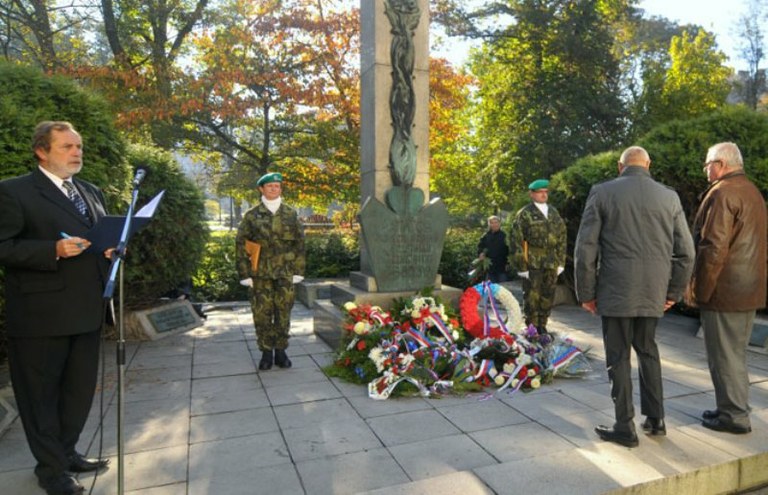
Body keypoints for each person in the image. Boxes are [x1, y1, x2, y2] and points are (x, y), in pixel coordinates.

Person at [0, 121, 111, 495]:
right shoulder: (14, 192)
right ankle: (50, 471)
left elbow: (95, 239)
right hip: (40, 317)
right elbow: (4, 246)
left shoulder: (91, 191)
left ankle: (66, 453)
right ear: (42, 151)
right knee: (41, 397)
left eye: (78, 146)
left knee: (77, 392)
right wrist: (52, 249)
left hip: (87, 310)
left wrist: (108, 248)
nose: (76, 152)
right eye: (66, 146)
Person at [574, 146, 695, 448]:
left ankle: (624, 426)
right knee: (648, 351)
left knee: (618, 357)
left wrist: (586, 293)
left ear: (620, 166)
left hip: (615, 290)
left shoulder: (602, 193)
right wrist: (673, 292)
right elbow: (687, 252)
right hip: (652, 292)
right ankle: (656, 419)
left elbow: (585, 248)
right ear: (648, 165)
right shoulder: (669, 197)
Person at [686, 142, 767, 435]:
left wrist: (700, 292)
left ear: (720, 164)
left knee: (724, 356)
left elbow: (713, 247)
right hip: (747, 289)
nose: (706, 169)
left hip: (726, 290)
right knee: (735, 354)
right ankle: (731, 407)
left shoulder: (723, 192)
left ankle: (733, 415)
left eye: (707, 164)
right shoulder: (751, 191)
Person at [236, 172, 306, 371]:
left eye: (277, 186)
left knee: (283, 312)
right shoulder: (251, 215)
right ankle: (266, 353)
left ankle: (281, 352)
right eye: (270, 186)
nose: (274, 189)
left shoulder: (291, 214)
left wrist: (299, 271)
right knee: (262, 314)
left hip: (285, 273)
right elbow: (241, 245)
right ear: (261, 189)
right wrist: (244, 274)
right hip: (260, 274)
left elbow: (300, 244)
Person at [508, 178, 567, 333]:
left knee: (548, 295)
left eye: (545, 192)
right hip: (533, 260)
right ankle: (532, 329)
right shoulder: (525, 214)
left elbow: (562, 237)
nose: (543, 195)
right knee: (532, 296)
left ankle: (543, 325)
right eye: (540, 192)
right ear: (531, 194)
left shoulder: (553, 212)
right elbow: (516, 240)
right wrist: (521, 265)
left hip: (551, 261)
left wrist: (561, 262)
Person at [477, 215, 509, 283]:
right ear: (489, 224)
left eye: (496, 222)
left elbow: (509, 250)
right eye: (492, 223)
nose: (494, 224)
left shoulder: (504, 236)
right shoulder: (486, 235)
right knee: (490, 289)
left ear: (499, 223)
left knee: (503, 288)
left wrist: (508, 263)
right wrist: (481, 253)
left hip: (502, 267)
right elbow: (480, 246)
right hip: (490, 267)